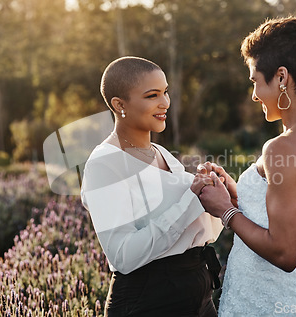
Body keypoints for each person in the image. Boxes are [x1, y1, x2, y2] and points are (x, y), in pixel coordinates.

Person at [196, 17, 296, 316]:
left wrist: (226, 212)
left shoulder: (281, 148)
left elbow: (286, 254)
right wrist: (238, 198)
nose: (254, 94)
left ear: (282, 77)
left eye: (255, 81)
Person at [80, 56, 223, 317]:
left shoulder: (163, 154)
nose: (165, 102)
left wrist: (216, 193)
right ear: (119, 104)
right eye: (152, 95)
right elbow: (124, 256)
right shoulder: (105, 164)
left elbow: (197, 232)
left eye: (165, 92)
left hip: (198, 295)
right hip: (149, 301)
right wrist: (191, 200)